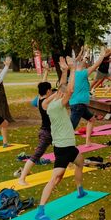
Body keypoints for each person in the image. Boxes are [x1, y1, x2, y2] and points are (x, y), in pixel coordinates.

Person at [35, 58, 89, 220]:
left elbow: (64, 87)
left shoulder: (46, 104)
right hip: (63, 148)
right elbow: (69, 90)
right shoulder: (57, 105)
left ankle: (80, 190)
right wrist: (72, 69)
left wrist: (65, 71)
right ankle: (40, 211)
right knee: (55, 178)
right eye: (62, 94)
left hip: (69, 147)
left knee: (80, 162)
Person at [20, 57, 83, 189]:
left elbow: (58, 87)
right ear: (48, 91)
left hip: (53, 131)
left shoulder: (40, 98)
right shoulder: (46, 102)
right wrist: (66, 72)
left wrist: (61, 71)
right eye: (50, 90)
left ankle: (70, 164)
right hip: (47, 133)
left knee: (63, 150)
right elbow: (62, 89)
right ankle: (22, 178)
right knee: (37, 155)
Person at [69, 47, 111, 143]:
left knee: (91, 119)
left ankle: (88, 141)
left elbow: (83, 61)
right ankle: (63, 145)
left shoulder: (73, 74)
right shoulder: (83, 73)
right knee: (70, 128)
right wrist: (102, 54)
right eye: (84, 64)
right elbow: (96, 65)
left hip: (78, 104)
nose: (85, 64)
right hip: (78, 105)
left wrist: (86, 53)